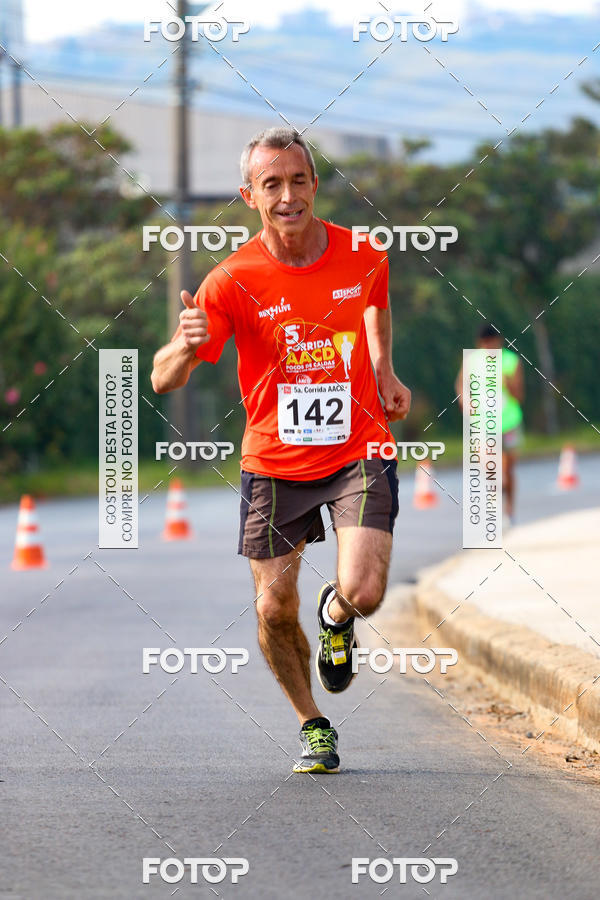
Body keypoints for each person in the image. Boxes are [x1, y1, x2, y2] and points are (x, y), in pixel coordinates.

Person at [151, 127, 411, 773]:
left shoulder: (364, 254)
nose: (288, 195)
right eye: (272, 184)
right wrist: (186, 344)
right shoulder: (230, 279)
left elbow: (373, 306)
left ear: (315, 186)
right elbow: (163, 378)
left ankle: (338, 613)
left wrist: (383, 371)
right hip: (274, 459)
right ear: (249, 195)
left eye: (298, 180)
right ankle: (313, 724)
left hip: (358, 444)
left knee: (367, 589)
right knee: (271, 605)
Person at [456, 324, 524, 525]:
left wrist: (507, 382)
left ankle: (509, 511)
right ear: (480, 344)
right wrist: (464, 400)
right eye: (485, 343)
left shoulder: (511, 361)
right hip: (483, 424)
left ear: (499, 341)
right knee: (490, 469)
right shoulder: (472, 361)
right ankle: (495, 506)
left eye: (492, 342)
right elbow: (461, 383)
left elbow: (519, 395)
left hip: (509, 421)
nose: (489, 347)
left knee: (508, 469)